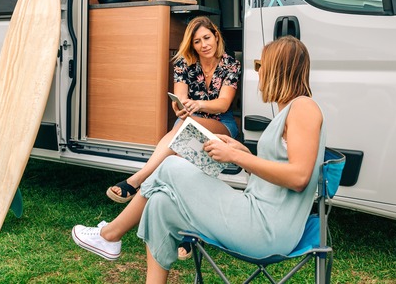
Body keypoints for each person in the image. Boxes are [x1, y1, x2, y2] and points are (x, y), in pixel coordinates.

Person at [71, 36, 326, 284]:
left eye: (261, 66)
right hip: (256, 215)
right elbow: (279, 174)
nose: (258, 73)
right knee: (160, 204)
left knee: (170, 165)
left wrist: (235, 156)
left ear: (277, 70)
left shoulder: (303, 108)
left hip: (266, 229)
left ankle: (110, 234)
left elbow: (299, 178)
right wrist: (243, 154)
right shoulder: (288, 111)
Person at [106, 15, 241, 204]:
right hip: (189, 121)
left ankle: (138, 178)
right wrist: (179, 107)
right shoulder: (183, 64)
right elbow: (181, 98)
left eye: (207, 38)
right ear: (192, 45)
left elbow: (223, 103)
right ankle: (151, 191)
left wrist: (199, 104)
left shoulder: (231, 65)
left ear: (216, 36)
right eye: (197, 41)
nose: (204, 45)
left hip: (221, 123)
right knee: (178, 150)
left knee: (184, 127)